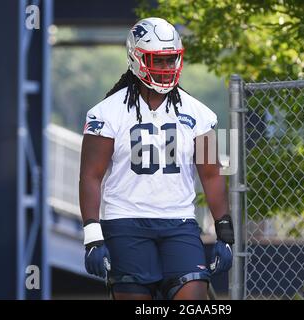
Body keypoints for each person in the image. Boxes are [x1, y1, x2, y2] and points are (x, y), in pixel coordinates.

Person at [79, 17, 234, 300]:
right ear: (136, 59)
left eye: (171, 59)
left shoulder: (200, 114)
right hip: (126, 223)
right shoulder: (105, 113)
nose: (166, 68)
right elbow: (91, 175)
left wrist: (224, 230)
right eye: (157, 60)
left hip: (179, 223)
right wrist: (92, 234)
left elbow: (212, 174)